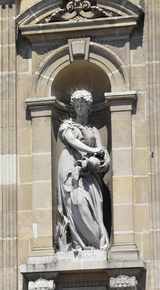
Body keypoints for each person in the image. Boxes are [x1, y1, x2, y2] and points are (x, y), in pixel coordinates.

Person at [56, 90, 110, 251]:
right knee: (75, 201)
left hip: (89, 172)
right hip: (69, 165)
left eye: (83, 105)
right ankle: (77, 243)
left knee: (87, 203)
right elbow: (72, 141)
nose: (79, 107)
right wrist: (92, 151)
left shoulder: (94, 130)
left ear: (88, 107)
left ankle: (94, 243)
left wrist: (91, 161)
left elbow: (102, 153)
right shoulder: (67, 125)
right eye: (77, 105)